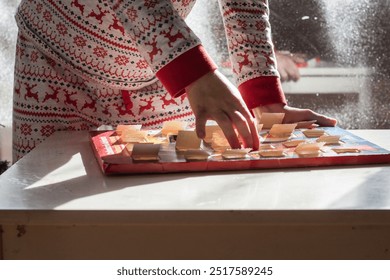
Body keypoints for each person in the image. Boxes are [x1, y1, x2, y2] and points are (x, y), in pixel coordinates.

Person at [12, 0, 336, 162]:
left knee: (175, 209)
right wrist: (195, 73)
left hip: (160, 68)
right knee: (54, 226)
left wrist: (263, 94)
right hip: (56, 63)